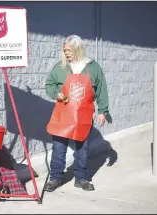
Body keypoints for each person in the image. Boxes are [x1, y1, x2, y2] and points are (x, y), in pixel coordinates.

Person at [44, 35, 109, 192]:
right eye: (64, 50)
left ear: (78, 48)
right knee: (59, 148)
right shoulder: (59, 68)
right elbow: (49, 85)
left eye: (69, 50)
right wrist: (56, 94)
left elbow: (101, 90)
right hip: (62, 115)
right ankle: (55, 178)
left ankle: (81, 178)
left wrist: (103, 111)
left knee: (82, 149)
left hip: (83, 116)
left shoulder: (93, 68)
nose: (66, 53)